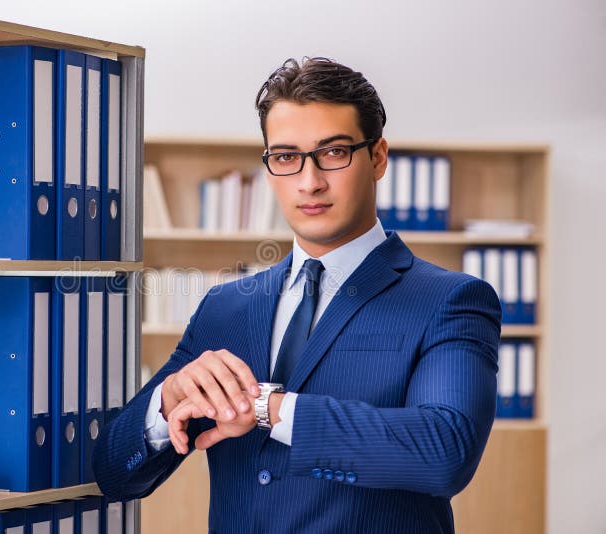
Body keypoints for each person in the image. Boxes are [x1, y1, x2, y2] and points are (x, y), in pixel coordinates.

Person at [94, 57, 501, 533]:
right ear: (269, 168)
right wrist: (167, 401)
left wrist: (268, 407)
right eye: (287, 157)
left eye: (333, 153)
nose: (310, 181)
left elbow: (444, 451)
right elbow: (113, 472)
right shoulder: (225, 308)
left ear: (378, 157)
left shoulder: (450, 300)